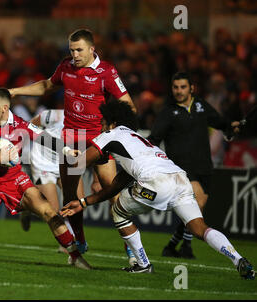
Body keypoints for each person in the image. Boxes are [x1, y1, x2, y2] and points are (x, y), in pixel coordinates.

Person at [59, 100, 254, 280]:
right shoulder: (135, 139)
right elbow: (116, 185)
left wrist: (66, 150)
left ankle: (143, 264)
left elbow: (78, 163)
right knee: (199, 228)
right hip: (179, 178)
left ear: (112, 122)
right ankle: (238, 259)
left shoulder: (110, 134)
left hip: (155, 183)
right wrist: (84, 202)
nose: (101, 126)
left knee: (118, 212)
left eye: (102, 122)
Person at [9, 28, 136, 255]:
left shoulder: (106, 72)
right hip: (71, 140)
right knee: (70, 197)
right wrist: (15, 91)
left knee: (111, 190)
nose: (75, 54)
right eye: (72, 50)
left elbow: (129, 105)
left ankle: (131, 243)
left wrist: (113, 129)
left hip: (98, 140)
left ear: (91, 49)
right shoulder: (66, 67)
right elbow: (47, 85)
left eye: (79, 50)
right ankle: (80, 241)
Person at [0, 87, 91, 269]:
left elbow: (45, 138)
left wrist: (66, 150)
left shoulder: (20, 124)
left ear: (4, 108)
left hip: (16, 179)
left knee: (49, 211)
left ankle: (74, 255)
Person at [148, 72, 241, 259]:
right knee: (196, 204)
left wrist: (231, 125)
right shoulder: (168, 112)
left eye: (183, 87)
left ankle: (172, 245)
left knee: (198, 208)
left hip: (204, 166)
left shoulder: (200, 106)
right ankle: (187, 247)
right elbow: (154, 139)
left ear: (192, 88)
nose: (179, 91)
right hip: (182, 168)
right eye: (175, 87)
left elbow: (220, 122)